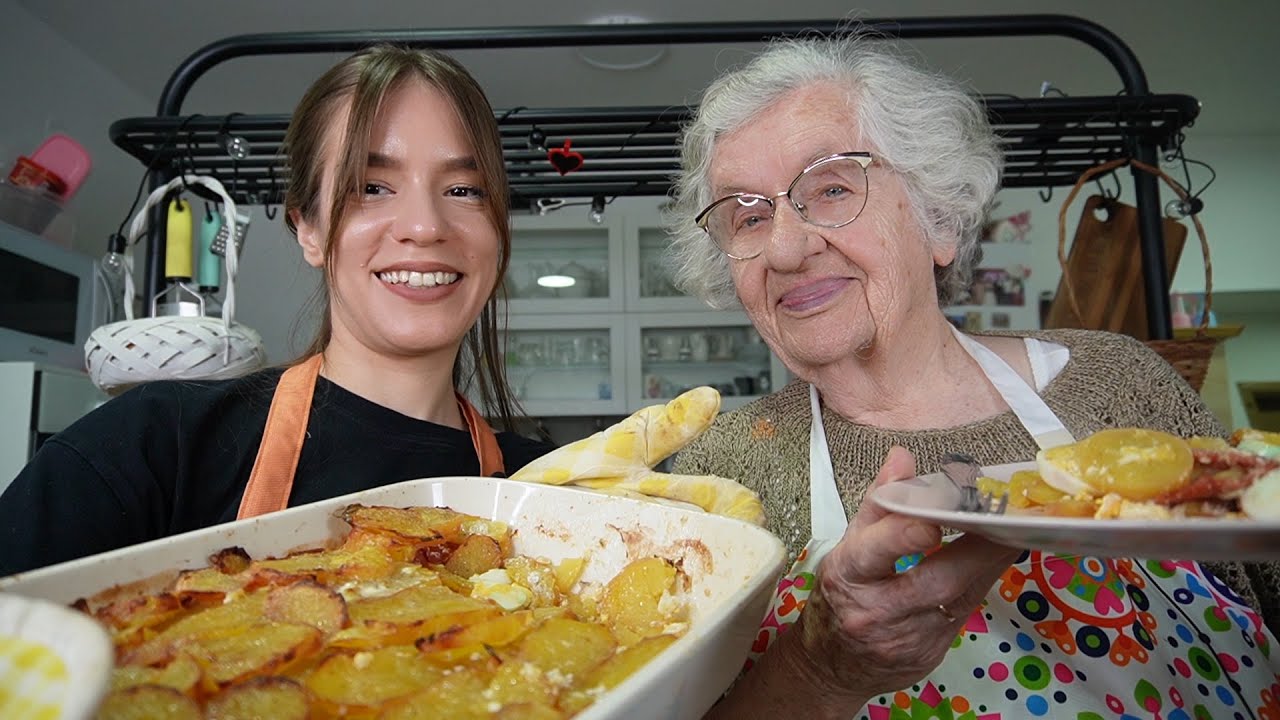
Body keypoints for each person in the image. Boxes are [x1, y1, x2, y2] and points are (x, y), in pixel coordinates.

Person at [665, 33, 1280, 718]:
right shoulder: (714, 475)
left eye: (832, 187)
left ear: (940, 220)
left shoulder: (1116, 380)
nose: (784, 248)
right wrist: (823, 669)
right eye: (747, 215)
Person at [0, 45, 554, 576]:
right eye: (372, 186)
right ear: (308, 230)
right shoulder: (149, 450)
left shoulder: (554, 492)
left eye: (464, 190)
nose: (425, 226)